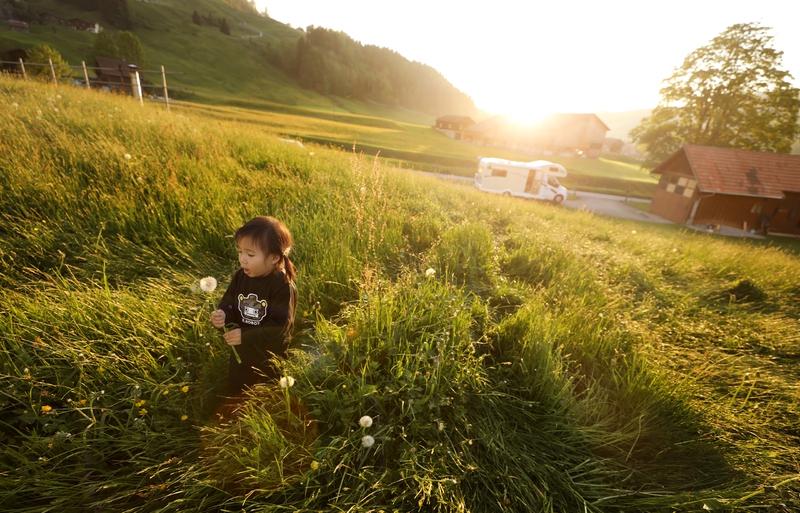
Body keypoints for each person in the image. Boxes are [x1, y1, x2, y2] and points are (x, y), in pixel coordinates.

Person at [210, 216, 298, 396]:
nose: (242, 259)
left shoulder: (282, 285)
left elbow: (279, 327)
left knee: (268, 392)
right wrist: (224, 315)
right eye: (240, 251)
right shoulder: (240, 277)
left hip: (270, 353)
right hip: (242, 349)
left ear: (274, 257)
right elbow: (229, 303)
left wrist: (245, 335)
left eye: (250, 255)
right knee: (236, 389)